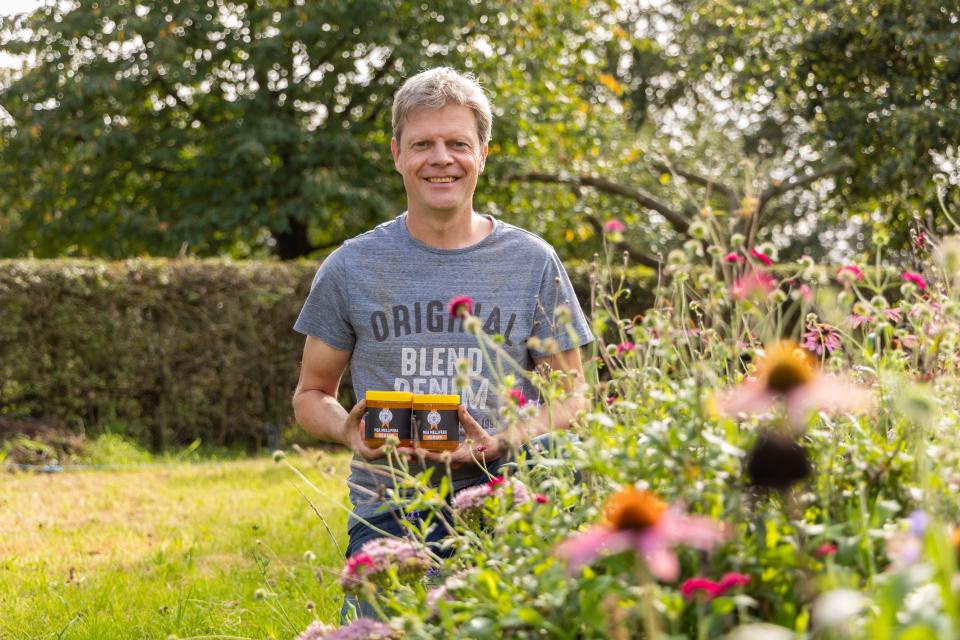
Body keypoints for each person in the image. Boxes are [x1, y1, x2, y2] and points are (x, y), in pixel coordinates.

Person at [291, 67, 593, 619]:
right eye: (422, 143)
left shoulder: (533, 262)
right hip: (390, 508)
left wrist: (500, 441)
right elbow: (311, 391)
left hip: (507, 500)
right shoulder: (350, 266)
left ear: (482, 153)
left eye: (457, 143)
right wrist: (345, 429)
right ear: (396, 153)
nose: (441, 158)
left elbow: (572, 398)